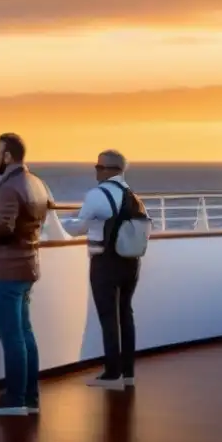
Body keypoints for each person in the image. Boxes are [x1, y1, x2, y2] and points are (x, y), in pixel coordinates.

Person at [0, 132, 52, 416]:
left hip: (5, 270)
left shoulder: (9, 187)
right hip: (27, 266)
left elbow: (5, 225)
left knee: (12, 336)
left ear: (8, 156)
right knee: (25, 333)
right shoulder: (36, 183)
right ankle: (30, 396)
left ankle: (15, 398)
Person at [61, 150, 147, 389]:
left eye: (98, 167)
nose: (96, 170)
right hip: (131, 261)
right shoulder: (132, 196)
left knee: (108, 317)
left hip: (105, 261)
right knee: (125, 314)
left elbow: (79, 228)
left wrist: (59, 221)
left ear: (110, 170)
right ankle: (128, 372)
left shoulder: (97, 195)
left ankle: (112, 374)